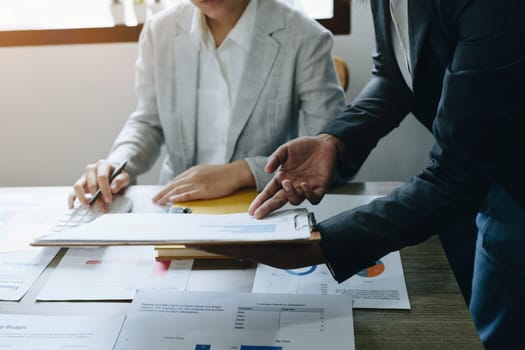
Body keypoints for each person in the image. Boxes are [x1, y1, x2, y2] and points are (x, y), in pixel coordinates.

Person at [196, 1, 525, 348]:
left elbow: (456, 174)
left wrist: (325, 245)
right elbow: (393, 79)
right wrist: (334, 141)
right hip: (488, 179)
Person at [69, 0, 346, 211]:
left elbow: (329, 157)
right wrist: (118, 163)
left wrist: (242, 172)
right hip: (176, 205)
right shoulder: (160, 30)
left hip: (261, 206)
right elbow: (148, 122)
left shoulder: (305, 37)